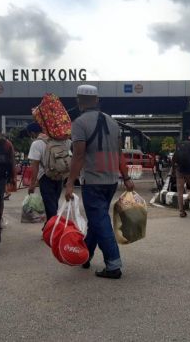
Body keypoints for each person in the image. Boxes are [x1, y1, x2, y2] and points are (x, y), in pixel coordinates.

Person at [64, 84, 134, 279]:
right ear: (97, 100)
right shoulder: (113, 123)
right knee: (98, 219)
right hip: (112, 180)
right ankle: (85, 256)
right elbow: (119, 153)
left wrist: (70, 183)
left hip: (93, 180)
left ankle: (113, 264)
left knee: (100, 221)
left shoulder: (79, 123)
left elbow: (78, 156)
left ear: (79, 101)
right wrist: (126, 177)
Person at [26, 122, 65, 220]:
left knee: (50, 205)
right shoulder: (57, 140)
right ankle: (49, 226)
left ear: (32, 133)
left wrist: (32, 184)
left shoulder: (36, 143)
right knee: (54, 202)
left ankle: (54, 228)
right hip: (59, 174)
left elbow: (35, 165)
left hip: (45, 176)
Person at [173, 130, 190, 217]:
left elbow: (174, 158)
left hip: (179, 170)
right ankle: (188, 198)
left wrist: (173, 170)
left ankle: (181, 212)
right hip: (189, 170)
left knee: (180, 191)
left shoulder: (180, 144)